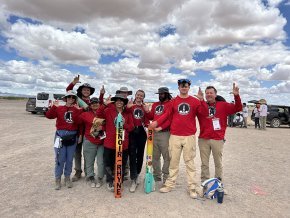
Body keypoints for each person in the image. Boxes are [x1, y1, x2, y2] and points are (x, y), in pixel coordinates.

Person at [149, 79, 203, 199]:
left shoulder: (195, 101)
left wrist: (202, 100)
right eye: (182, 86)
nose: (184, 87)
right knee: (173, 161)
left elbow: (203, 114)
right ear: (178, 87)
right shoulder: (173, 102)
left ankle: (192, 187)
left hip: (189, 136)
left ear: (189, 87)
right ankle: (170, 184)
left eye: (186, 86)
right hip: (175, 136)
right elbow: (166, 115)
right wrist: (156, 122)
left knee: (189, 162)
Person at [196, 84, 242, 188]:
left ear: (215, 94)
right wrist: (202, 100)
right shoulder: (201, 105)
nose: (209, 95)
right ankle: (204, 184)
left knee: (218, 163)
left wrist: (236, 96)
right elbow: (203, 112)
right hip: (203, 139)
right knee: (204, 163)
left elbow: (238, 108)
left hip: (217, 139)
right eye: (207, 93)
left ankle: (218, 184)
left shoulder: (223, 105)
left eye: (211, 93)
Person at [66, 75, 105, 182]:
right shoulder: (76, 100)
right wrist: (73, 83)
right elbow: (69, 91)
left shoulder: (92, 102)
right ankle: (78, 171)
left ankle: (89, 173)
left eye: (88, 90)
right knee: (77, 152)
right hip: (78, 129)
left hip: (89, 130)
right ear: (81, 90)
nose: (86, 91)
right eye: (84, 89)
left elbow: (101, 106)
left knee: (88, 152)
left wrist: (102, 95)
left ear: (90, 91)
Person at [45, 90, 83, 190]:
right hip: (60, 136)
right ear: (66, 98)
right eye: (69, 97)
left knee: (69, 159)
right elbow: (49, 116)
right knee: (59, 159)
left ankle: (67, 178)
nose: (71, 99)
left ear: (75, 99)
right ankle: (57, 179)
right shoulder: (59, 108)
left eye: (73, 97)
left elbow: (79, 122)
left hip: (72, 136)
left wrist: (78, 111)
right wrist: (54, 107)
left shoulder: (77, 109)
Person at [97, 94, 134, 192]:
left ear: (124, 103)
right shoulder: (108, 111)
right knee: (108, 164)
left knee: (121, 164)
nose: (119, 102)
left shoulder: (127, 114)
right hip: (110, 143)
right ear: (114, 102)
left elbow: (131, 127)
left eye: (121, 101)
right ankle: (110, 180)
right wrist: (104, 104)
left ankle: (119, 181)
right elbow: (98, 114)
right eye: (117, 100)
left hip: (123, 144)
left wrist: (122, 124)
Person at [144, 87, 172, 184]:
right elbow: (151, 116)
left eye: (163, 94)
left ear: (167, 94)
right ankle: (157, 175)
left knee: (167, 156)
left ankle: (166, 176)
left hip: (165, 133)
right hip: (154, 134)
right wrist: (147, 111)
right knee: (155, 156)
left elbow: (170, 118)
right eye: (159, 94)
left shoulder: (170, 104)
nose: (160, 95)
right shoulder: (155, 104)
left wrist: (161, 127)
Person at [78, 97, 105, 188]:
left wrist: (102, 128)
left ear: (99, 104)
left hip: (101, 141)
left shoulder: (103, 113)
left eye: (96, 102)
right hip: (89, 140)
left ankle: (100, 177)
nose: (95, 104)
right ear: (89, 105)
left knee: (101, 162)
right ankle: (91, 177)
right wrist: (79, 110)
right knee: (89, 161)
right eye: (92, 103)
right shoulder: (85, 114)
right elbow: (77, 121)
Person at [126, 90, 149, 192]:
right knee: (132, 155)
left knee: (140, 155)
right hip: (132, 131)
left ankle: (137, 174)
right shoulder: (130, 106)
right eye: (138, 95)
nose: (139, 96)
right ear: (135, 96)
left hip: (141, 132)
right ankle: (133, 177)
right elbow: (125, 115)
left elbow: (147, 120)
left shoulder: (144, 107)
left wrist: (147, 111)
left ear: (143, 97)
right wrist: (127, 107)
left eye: (141, 95)